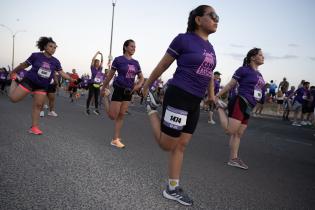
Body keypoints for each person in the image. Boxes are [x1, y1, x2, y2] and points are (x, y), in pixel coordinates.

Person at [142, 5, 219, 206]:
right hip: (179, 95)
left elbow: (209, 73)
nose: (216, 19)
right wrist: (147, 84)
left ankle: (172, 188)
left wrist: (210, 95)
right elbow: (163, 64)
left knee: (181, 145)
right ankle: (151, 110)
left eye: (217, 17)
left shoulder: (210, 48)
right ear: (198, 20)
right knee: (166, 145)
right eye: (212, 15)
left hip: (195, 100)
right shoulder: (183, 39)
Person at [8, 36, 75, 135]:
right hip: (30, 81)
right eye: (51, 46)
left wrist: (70, 78)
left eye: (55, 47)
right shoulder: (36, 56)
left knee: (38, 105)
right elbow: (24, 65)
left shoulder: (56, 61)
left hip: (42, 85)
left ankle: (34, 127)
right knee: (13, 99)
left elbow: (61, 73)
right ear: (45, 47)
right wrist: (13, 72)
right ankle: (14, 80)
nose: (53, 49)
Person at [215, 48, 265, 170]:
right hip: (241, 101)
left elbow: (260, 90)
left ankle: (233, 159)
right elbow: (231, 84)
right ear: (253, 57)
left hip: (250, 105)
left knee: (238, 133)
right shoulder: (243, 70)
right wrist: (216, 96)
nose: (263, 57)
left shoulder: (259, 74)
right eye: (260, 55)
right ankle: (219, 107)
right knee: (229, 131)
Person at [101, 39, 144, 148]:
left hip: (129, 92)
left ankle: (115, 139)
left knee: (121, 116)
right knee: (112, 116)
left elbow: (141, 78)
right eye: (131, 46)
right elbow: (110, 75)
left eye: (135, 47)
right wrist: (104, 87)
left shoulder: (136, 63)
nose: (134, 48)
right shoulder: (118, 60)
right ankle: (105, 98)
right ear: (125, 47)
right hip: (119, 89)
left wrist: (138, 85)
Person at [86, 51, 103, 115]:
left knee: (96, 97)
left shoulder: (100, 69)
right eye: (97, 62)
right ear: (95, 63)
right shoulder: (92, 68)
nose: (98, 63)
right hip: (92, 84)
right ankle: (87, 109)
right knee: (90, 96)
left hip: (97, 85)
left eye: (99, 63)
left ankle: (96, 109)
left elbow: (102, 61)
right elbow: (93, 59)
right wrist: (97, 53)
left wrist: (101, 55)